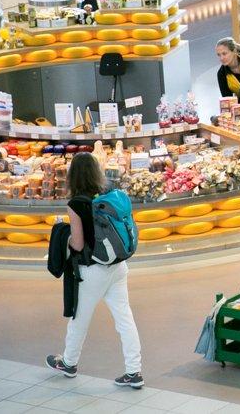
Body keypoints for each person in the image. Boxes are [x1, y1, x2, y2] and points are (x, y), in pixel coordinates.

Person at [46, 153, 144, 389]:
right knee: (124, 318)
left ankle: (69, 363)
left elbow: (78, 244)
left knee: (79, 318)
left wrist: (63, 234)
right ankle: (134, 371)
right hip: (118, 266)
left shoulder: (76, 203)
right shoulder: (108, 193)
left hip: (92, 271)